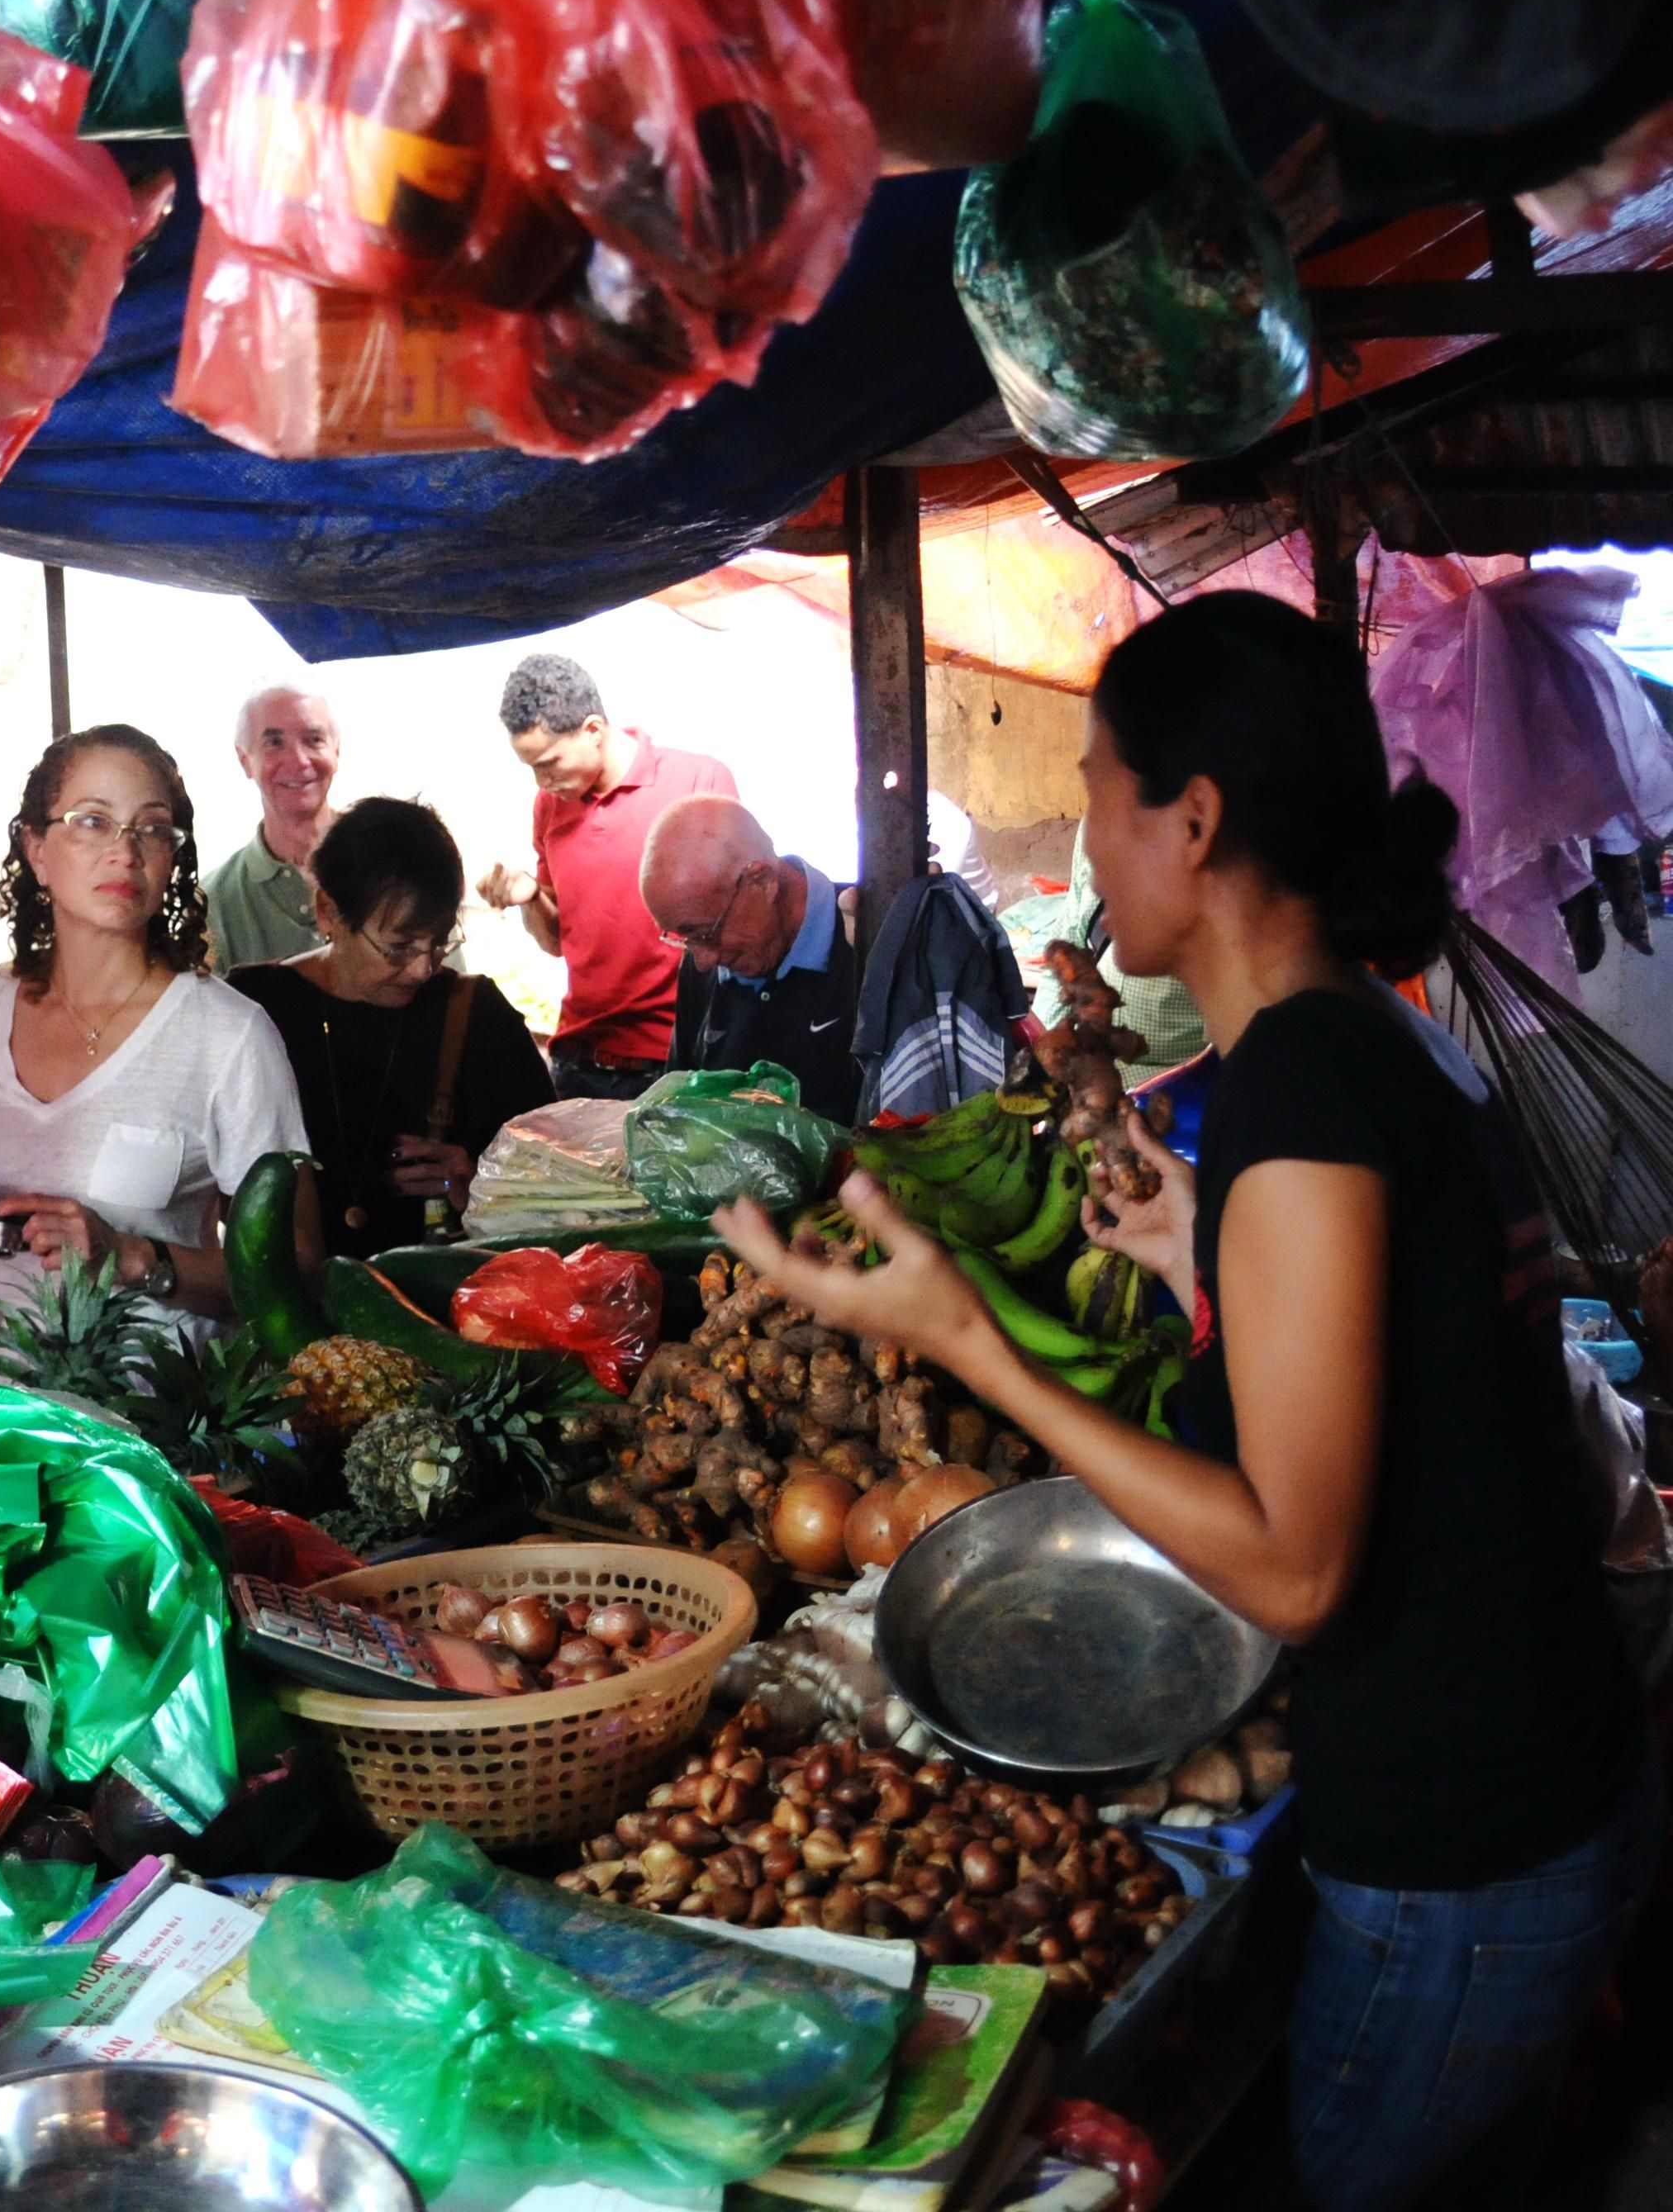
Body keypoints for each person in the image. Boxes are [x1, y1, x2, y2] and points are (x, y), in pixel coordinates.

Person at [716, 593, 1655, 2212]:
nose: (1082, 828)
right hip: (1551, 1775)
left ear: (1194, 818)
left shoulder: (1299, 1080)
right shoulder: (1373, 1042)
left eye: (1095, 783)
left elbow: (1291, 1566)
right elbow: (1407, 1326)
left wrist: (969, 1337)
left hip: (1456, 1839)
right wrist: (1196, 1231)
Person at [0, 724, 309, 1388]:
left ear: (173, 859)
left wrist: (133, 1256)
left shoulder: (228, 1037)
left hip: (140, 1424)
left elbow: (298, 1267)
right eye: (92, 822)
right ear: (36, 849)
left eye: (151, 829)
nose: (124, 852)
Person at [228, 798, 551, 1254]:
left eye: (439, 942)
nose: (423, 969)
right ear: (329, 913)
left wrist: (482, 1188)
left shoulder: (477, 1016)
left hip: (444, 1302)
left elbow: (557, 1192)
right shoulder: (258, 1007)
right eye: (399, 947)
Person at [477, 654, 738, 1100]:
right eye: (531, 768)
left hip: (678, 1062)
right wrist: (531, 899)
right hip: (580, 1063)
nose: (542, 781)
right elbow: (556, 942)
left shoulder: (697, 780)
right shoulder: (549, 807)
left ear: (594, 730)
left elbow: (735, 921)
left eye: (550, 762)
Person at [639, 795, 864, 1118]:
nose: (703, 961)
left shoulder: (867, 938)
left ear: (763, 881)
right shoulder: (705, 960)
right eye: (685, 939)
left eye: (707, 933)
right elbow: (677, 1111)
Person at [202, 686, 342, 970]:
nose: (299, 760)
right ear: (245, 760)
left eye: (314, 739)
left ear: (336, 751)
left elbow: (450, 997)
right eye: (274, 743)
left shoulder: (399, 866)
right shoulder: (212, 904)